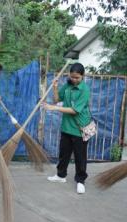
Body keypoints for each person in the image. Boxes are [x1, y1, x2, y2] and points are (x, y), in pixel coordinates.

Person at [43, 63, 91, 194]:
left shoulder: (85, 90)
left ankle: (80, 180)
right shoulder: (68, 85)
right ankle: (60, 175)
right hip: (66, 127)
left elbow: (75, 110)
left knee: (80, 156)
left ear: (82, 76)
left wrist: (55, 108)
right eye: (72, 77)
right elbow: (58, 98)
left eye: (77, 78)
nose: (74, 80)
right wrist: (55, 87)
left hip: (80, 128)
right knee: (64, 154)